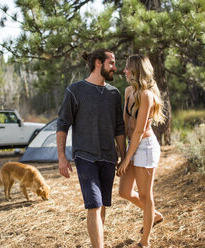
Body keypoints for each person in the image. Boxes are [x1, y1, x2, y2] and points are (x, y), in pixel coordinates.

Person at [56, 48, 126, 248]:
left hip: (108, 157)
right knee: (94, 205)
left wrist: (123, 156)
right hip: (85, 157)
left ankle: (98, 243)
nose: (115, 67)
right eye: (111, 63)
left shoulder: (114, 94)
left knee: (101, 205)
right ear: (98, 63)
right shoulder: (75, 91)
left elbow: (119, 128)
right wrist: (62, 156)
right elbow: (62, 125)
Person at [117, 54, 166, 248]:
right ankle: (153, 215)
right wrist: (122, 153)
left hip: (145, 147)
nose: (124, 71)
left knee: (146, 196)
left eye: (127, 68)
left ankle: (145, 241)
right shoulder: (129, 91)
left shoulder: (146, 95)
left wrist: (126, 159)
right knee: (124, 191)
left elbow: (138, 130)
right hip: (132, 145)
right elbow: (124, 122)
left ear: (136, 70)